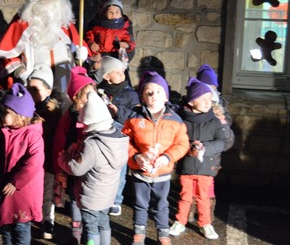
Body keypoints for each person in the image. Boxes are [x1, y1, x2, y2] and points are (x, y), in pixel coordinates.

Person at [0, 0, 89, 96]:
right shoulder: (22, 21)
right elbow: (5, 55)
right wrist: (21, 72)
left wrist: (81, 53)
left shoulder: (65, 22)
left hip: (64, 82)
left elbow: (78, 48)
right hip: (33, 84)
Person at [121, 71, 189, 245]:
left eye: (159, 91)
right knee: (140, 204)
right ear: (143, 97)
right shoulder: (134, 118)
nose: (154, 95)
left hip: (162, 173)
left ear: (166, 96)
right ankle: (139, 232)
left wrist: (167, 157)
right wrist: (136, 156)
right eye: (149, 92)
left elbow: (182, 144)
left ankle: (163, 233)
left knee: (161, 205)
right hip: (140, 171)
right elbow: (124, 141)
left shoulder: (176, 120)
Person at [0, 83, 44, 245]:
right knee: (5, 227)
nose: (1, 116)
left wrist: (16, 182)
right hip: (2, 189)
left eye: (5, 112)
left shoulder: (32, 135)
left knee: (20, 228)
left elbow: (33, 162)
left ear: (18, 115)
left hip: (22, 192)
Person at [57, 91, 129, 245]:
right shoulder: (119, 139)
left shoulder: (92, 144)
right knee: (104, 222)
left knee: (91, 227)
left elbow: (77, 169)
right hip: (108, 195)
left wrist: (63, 158)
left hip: (91, 196)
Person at [169, 77, 226, 240]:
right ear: (192, 101)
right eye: (202, 99)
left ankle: (206, 223)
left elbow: (221, 142)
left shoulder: (214, 122)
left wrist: (205, 148)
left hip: (206, 168)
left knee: (204, 198)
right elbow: (177, 141)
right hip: (186, 166)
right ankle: (180, 221)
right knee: (184, 196)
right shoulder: (182, 121)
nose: (207, 102)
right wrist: (189, 149)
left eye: (209, 98)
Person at [53, 66, 96, 244]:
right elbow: (59, 142)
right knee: (75, 197)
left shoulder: (96, 114)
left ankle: (89, 228)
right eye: (87, 94)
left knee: (88, 197)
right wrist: (59, 166)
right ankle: (76, 227)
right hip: (73, 165)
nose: (92, 98)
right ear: (77, 98)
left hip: (91, 167)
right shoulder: (68, 118)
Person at [96, 56, 140, 216]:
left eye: (122, 71)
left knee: (119, 171)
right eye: (117, 72)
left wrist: (117, 112)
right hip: (102, 136)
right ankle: (101, 196)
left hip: (121, 138)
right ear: (107, 76)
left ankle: (116, 200)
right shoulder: (98, 91)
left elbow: (136, 115)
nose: (122, 74)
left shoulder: (130, 94)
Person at [191, 64, 234, 222]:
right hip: (196, 145)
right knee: (191, 180)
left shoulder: (220, 105)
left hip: (211, 150)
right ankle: (190, 208)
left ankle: (207, 213)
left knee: (207, 182)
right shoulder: (193, 99)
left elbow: (226, 125)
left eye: (212, 87)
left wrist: (220, 118)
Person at [26, 65, 62, 240]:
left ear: (48, 90)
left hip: (46, 159)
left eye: (35, 89)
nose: (30, 92)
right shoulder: (26, 107)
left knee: (46, 191)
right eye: (28, 88)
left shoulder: (51, 112)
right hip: (31, 158)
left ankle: (48, 220)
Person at [85, 0, 136, 86]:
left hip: (116, 63)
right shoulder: (95, 23)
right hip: (98, 62)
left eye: (116, 11)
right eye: (100, 6)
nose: (101, 9)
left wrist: (126, 46)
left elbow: (130, 48)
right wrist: (90, 44)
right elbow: (88, 37)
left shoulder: (123, 26)